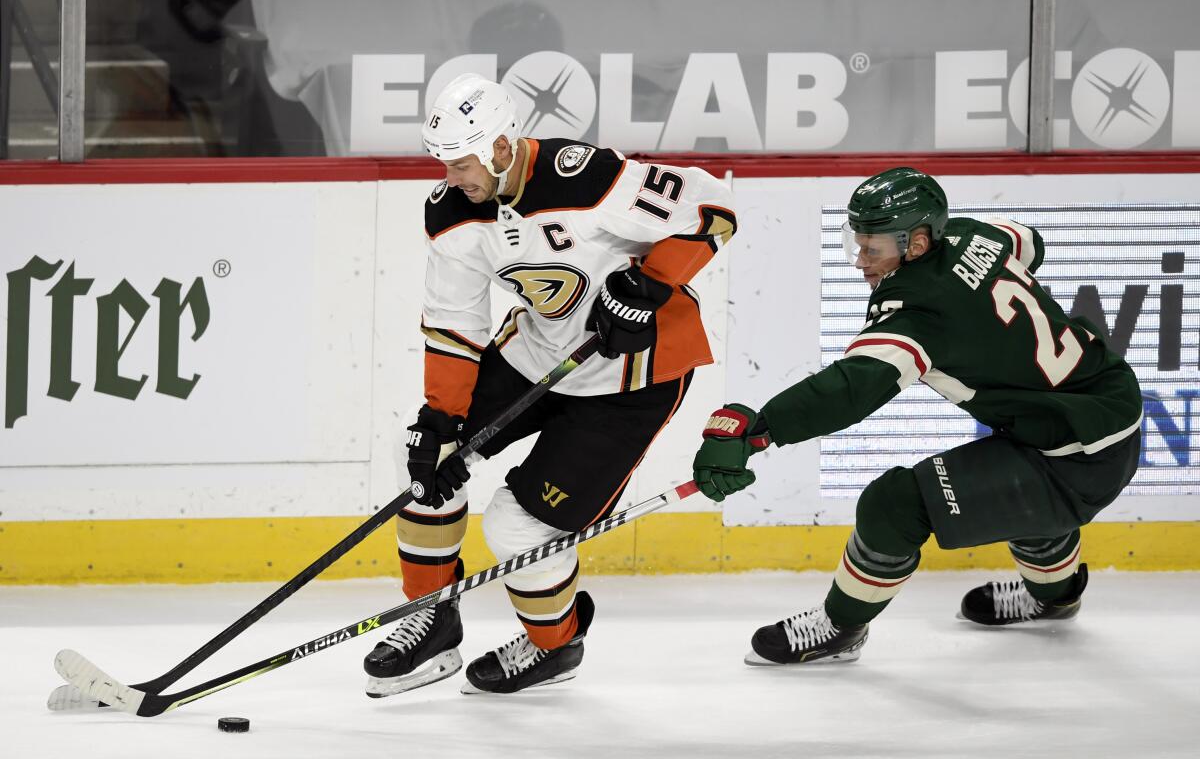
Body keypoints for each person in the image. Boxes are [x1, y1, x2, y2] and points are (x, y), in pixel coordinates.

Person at [363, 73, 737, 695]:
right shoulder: (453, 213)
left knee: (518, 527)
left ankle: (553, 646)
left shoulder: (583, 176)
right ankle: (429, 619)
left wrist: (646, 286)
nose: (452, 178)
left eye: (462, 164)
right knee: (426, 460)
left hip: (631, 377)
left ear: (502, 147)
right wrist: (441, 416)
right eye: (445, 164)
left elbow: (713, 210)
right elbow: (455, 323)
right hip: (536, 356)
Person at [692, 167, 1142, 665]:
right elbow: (1031, 243)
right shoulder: (973, 233)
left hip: (1077, 450)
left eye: (874, 248)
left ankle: (840, 627)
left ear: (919, 242)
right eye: (858, 244)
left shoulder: (915, 312)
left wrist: (761, 428)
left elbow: (850, 389)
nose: (862, 261)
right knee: (1013, 484)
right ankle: (1056, 598)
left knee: (894, 505)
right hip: (1102, 405)